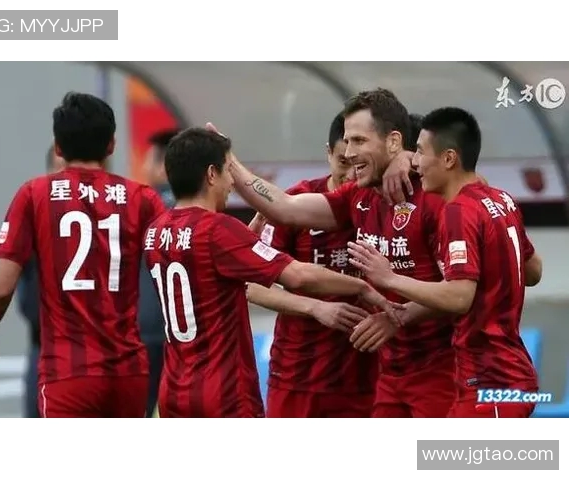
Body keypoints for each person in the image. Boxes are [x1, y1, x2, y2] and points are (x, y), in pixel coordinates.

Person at [209, 89, 456, 417]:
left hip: (436, 368)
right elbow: (285, 208)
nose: (350, 154)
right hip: (378, 372)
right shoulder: (356, 197)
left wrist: (398, 314)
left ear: (394, 141)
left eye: (359, 141)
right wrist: (229, 160)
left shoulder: (437, 198)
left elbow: (461, 292)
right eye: (346, 144)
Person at [142, 127, 402, 418]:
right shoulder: (218, 230)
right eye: (228, 171)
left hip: (174, 386)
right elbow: (297, 275)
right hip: (222, 392)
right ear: (212, 174)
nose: (232, 182)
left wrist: (245, 241)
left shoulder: (156, 230)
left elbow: (208, 274)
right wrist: (362, 286)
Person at [0, 92, 167, 418]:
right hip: (129, 371)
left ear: (58, 149)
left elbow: (2, 288)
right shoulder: (142, 198)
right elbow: (178, 260)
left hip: (66, 373)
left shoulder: (33, 195)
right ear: (111, 145)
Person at [348, 107, 543, 418]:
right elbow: (533, 271)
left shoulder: (457, 212)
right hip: (499, 372)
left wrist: (390, 278)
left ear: (449, 159)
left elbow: (459, 297)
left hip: (490, 379)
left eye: (420, 153)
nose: (414, 162)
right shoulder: (501, 199)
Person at [246, 112, 377, 417]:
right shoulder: (296, 202)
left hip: (366, 375)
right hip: (298, 373)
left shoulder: (382, 202)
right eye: (343, 162)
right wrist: (315, 308)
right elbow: (252, 285)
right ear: (328, 153)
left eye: (358, 165)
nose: (351, 175)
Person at [15, 146, 66, 418]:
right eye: (59, 169)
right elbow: (14, 286)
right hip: (44, 345)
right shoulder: (32, 218)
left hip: (92, 352)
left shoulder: (105, 219)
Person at [138, 128, 179, 417]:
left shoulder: (141, 205)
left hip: (146, 328)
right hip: (188, 331)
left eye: (148, 158)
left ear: (163, 165)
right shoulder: (202, 207)